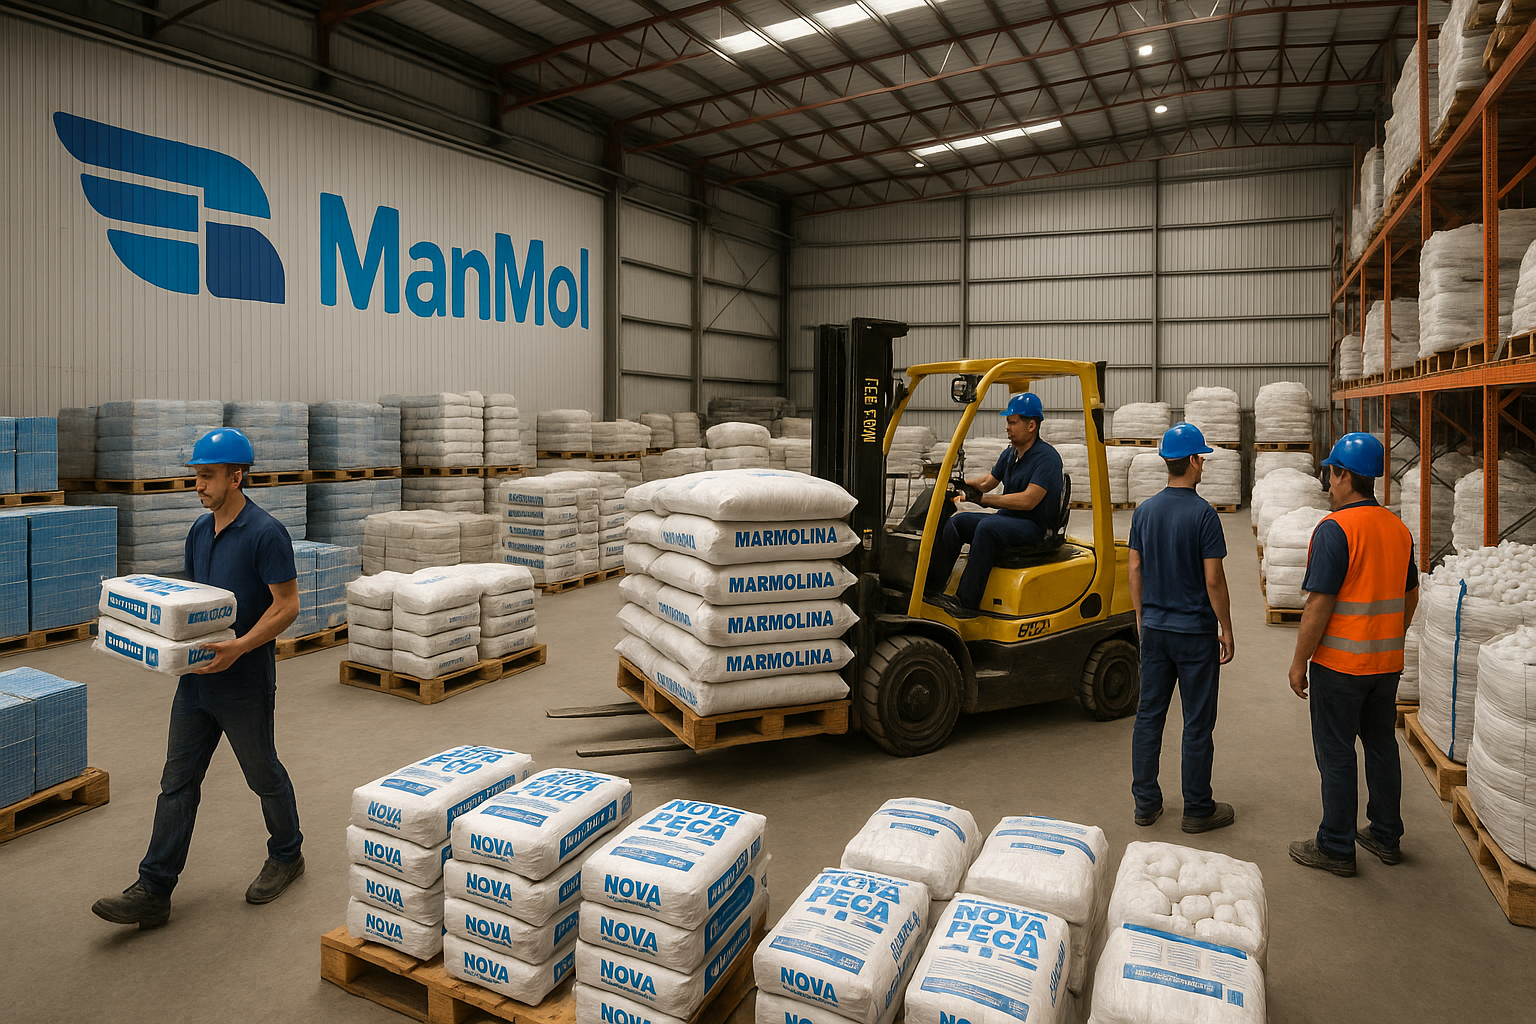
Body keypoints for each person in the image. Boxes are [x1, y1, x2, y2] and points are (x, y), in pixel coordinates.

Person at [92, 428, 304, 929]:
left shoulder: (266, 533)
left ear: (236, 477)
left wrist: (240, 647)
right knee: (177, 782)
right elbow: (195, 603)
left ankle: (288, 854)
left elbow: (287, 606)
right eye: (196, 476)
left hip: (244, 680)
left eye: (207, 476)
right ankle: (154, 888)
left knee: (262, 774)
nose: (199, 486)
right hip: (196, 680)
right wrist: (165, 646)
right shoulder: (198, 531)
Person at [1287, 432, 1417, 877]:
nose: (1327, 484)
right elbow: (1411, 594)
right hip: (1386, 665)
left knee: (1337, 752)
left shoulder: (1335, 529)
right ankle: (1385, 834)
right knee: (1381, 745)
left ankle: (1336, 846)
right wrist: (1389, 634)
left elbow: (1318, 605)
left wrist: (1299, 661)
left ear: (1344, 475)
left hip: (1340, 667)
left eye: (1331, 474)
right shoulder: (1398, 529)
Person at [1127, 423, 1236, 833]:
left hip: (1155, 630)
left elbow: (1134, 568)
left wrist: (1142, 618)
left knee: (1148, 717)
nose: (1202, 464)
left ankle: (1145, 804)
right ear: (1192, 461)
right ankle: (1197, 809)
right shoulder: (1204, 515)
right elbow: (1214, 580)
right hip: (1194, 633)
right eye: (1201, 458)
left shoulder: (1144, 511)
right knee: (1197, 723)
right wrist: (1226, 627)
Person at [924, 392, 1063, 616]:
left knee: (987, 528)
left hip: (1033, 526)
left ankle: (966, 602)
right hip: (1008, 519)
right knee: (957, 523)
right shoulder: (1011, 454)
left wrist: (982, 500)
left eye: (1012, 422)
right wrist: (956, 484)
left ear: (1031, 426)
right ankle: (931, 589)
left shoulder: (1047, 458)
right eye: (1008, 422)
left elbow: (1028, 501)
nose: (1007, 427)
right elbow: (988, 482)